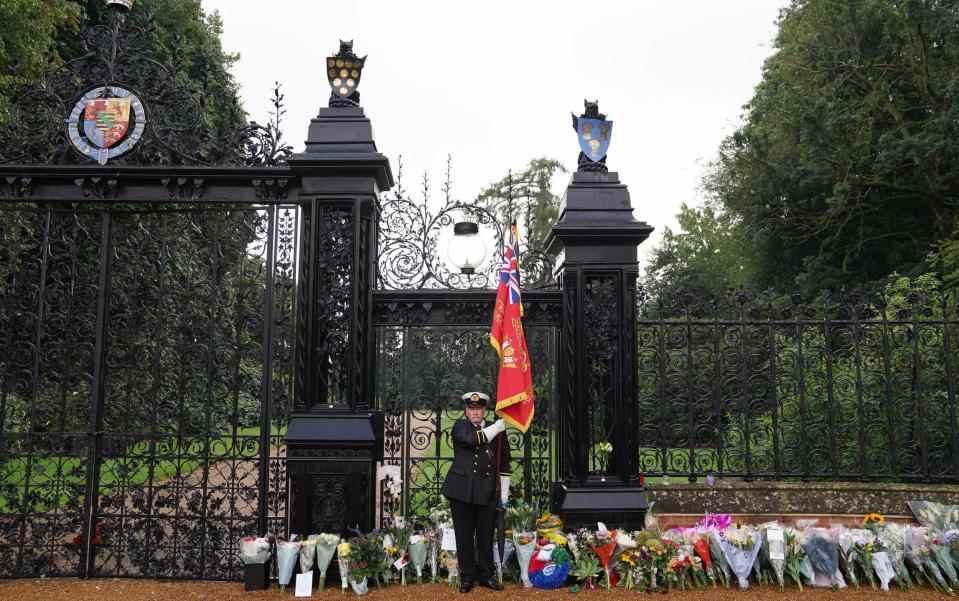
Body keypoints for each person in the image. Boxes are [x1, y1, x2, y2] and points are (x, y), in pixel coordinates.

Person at [441, 391, 512, 593]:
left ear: (484, 410)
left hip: (487, 491)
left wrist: (504, 496)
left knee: (485, 535)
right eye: (472, 409)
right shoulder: (460, 427)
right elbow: (474, 440)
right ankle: (467, 577)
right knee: (464, 536)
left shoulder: (496, 431)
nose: (475, 412)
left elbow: (504, 462)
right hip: (461, 491)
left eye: (479, 409)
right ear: (466, 410)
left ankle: (486, 575)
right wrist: (497, 427)